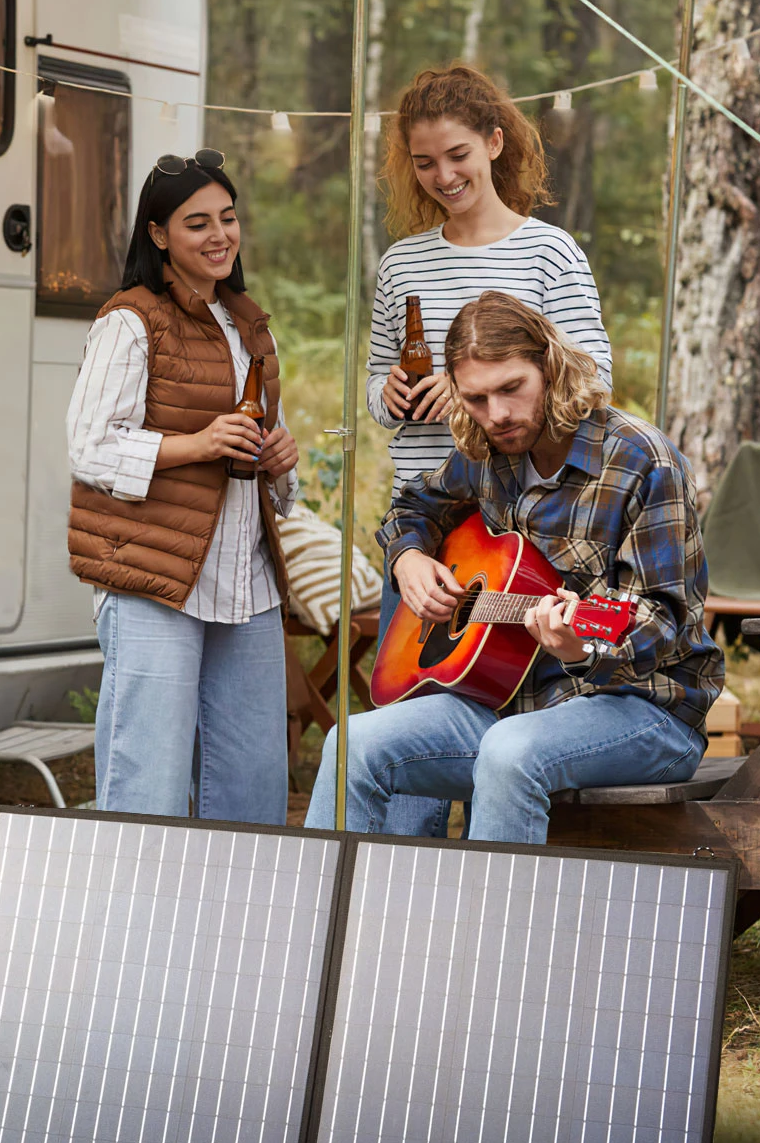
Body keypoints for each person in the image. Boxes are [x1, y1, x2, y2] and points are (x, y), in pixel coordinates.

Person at [307, 293, 720, 844]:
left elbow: (663, 620)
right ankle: (333, 924)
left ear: (550, 368)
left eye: (511, 389)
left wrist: (582, 646)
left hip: (645, 710)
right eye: (475, 398)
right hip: (512, 702)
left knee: (510, 753)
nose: (497, 414)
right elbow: (415, 504)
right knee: (349, 745)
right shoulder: (486, 452)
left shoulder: (642, 460)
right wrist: (407, 558)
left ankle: (494, 930)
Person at [364, 63, 614, 836]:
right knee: (404, 728)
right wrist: (392, 396)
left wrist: (471, 385)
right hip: (423, 527)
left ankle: (481, 885)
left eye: (458, 155)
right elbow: (375, 381)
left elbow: (594, 375)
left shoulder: (549, 253)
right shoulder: (402, 262)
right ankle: (387, 908)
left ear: (495, 143)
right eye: (425, 162)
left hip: (515, 530)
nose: (443, 175)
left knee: (500, 712)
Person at [67, 149, 299, 822]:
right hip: (154, 578)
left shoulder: (249, 324)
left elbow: (262, 470)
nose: (219, 235)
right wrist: (196, 444)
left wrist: (279, 464)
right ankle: (128, 919)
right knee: (149, 781)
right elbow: (89, 447)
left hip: (246, 582)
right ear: (159, 234)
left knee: (254, 785)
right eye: (197, 223)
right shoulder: (131, 322)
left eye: (228, 218)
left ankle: (235, 921)